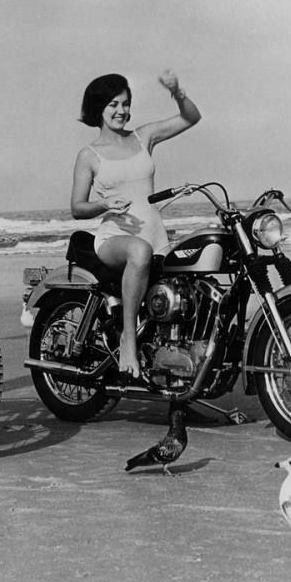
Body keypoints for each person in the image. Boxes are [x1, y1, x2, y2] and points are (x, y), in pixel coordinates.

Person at [70, 72, 201, 378]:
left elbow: (191, 118)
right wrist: (104, 204)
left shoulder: (143, 137)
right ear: (98, 108)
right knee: (140, 252)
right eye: (113, 104)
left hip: (157, 235)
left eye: (126, 104)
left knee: (190, 283)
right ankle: (128, 338)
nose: (122, 110)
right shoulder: (88, 155)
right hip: (115, 238)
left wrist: (178, 92)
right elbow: (77, 207)